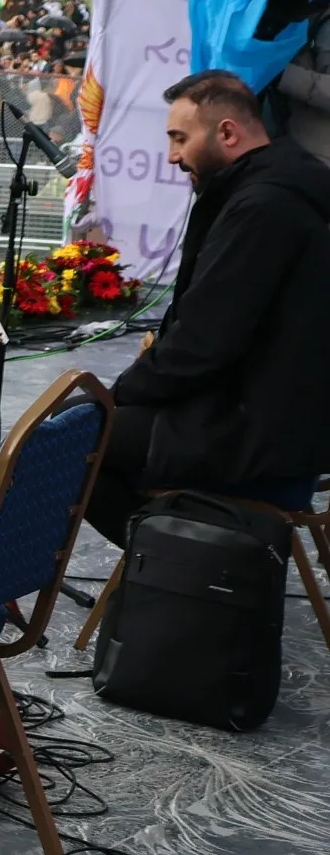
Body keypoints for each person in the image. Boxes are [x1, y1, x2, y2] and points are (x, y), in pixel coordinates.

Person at [84, 69, 330, 545]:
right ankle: (176, 569)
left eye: (180, 138)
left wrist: (119, 393)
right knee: (83, 423)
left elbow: (203, 344)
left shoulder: (264, 207)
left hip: (259, 435)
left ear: (228, 133)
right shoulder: (281, 188)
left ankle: (178, 570)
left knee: (63, 439)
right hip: (285, 425)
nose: (173, 155)